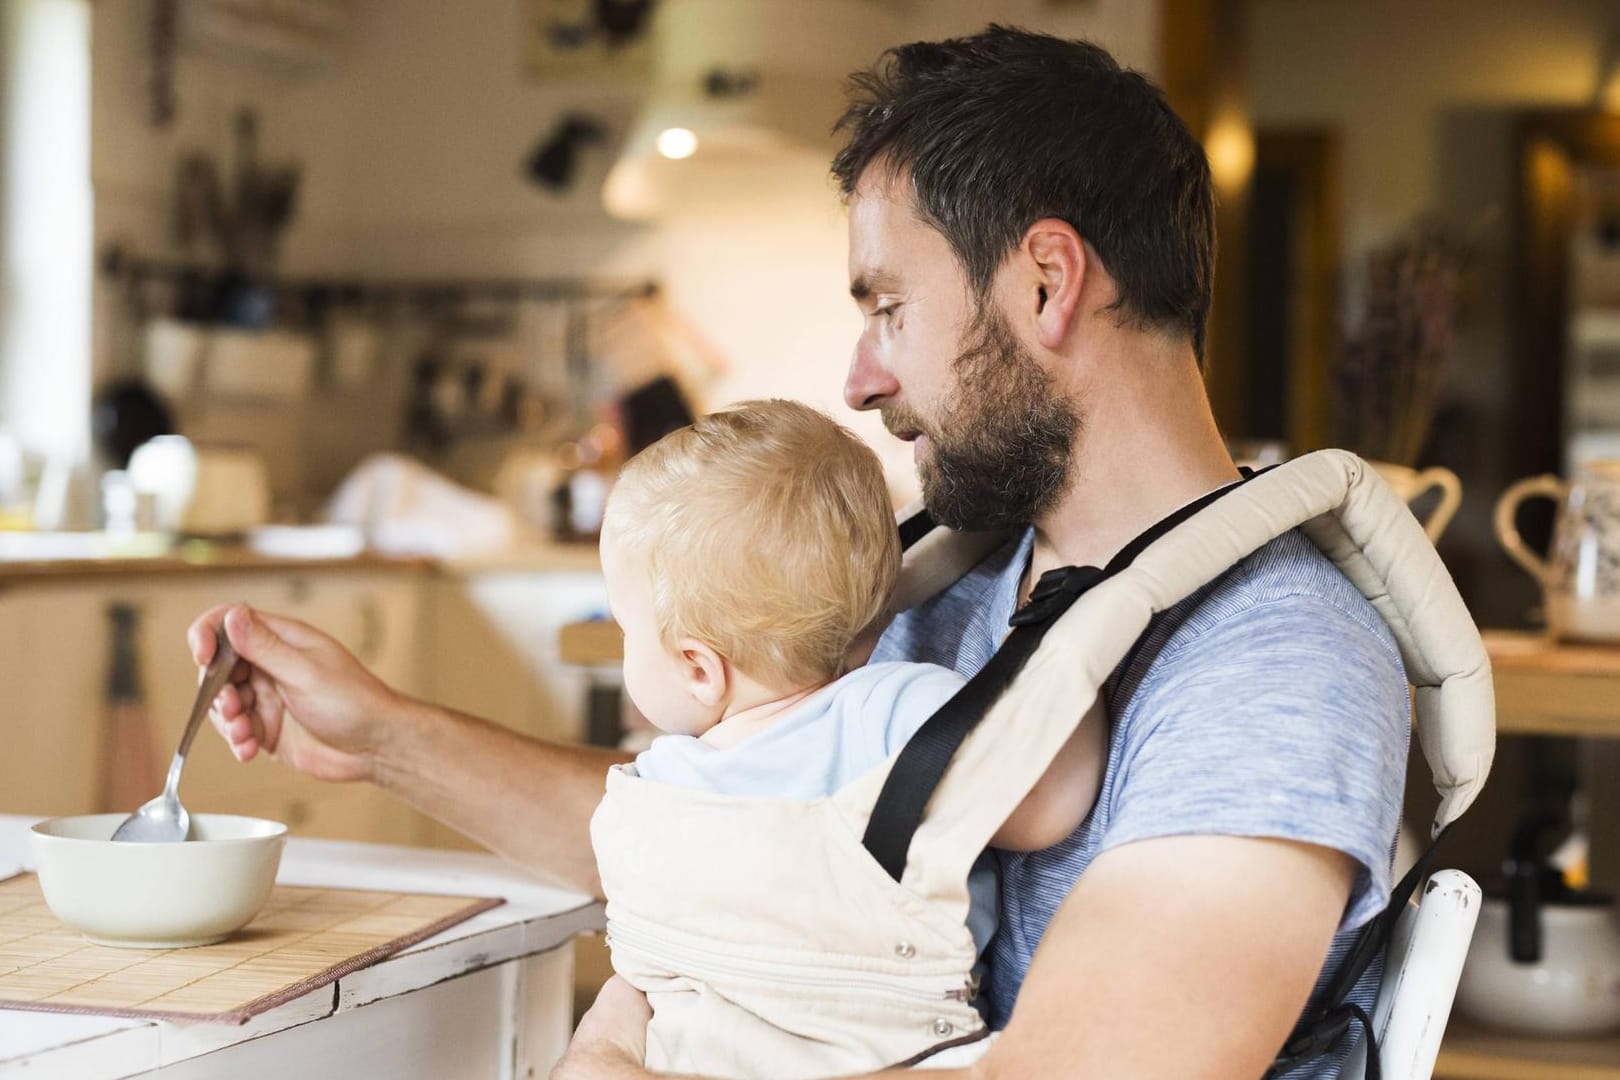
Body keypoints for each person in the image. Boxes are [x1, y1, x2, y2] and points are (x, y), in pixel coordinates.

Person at [190, 25, 1409, 1080]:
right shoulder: (958, 581)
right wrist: (385, 733)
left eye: (886, 306)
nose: (860, 376)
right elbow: (729, 843)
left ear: (1046, 282)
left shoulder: (1275, 662)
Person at [590, 397, 1099, 1073]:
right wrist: (1073, 653)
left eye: (627, 632)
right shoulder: (896, 710)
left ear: (699, 669)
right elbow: (1049, 807)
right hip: (887, 1053)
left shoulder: (663, 783)